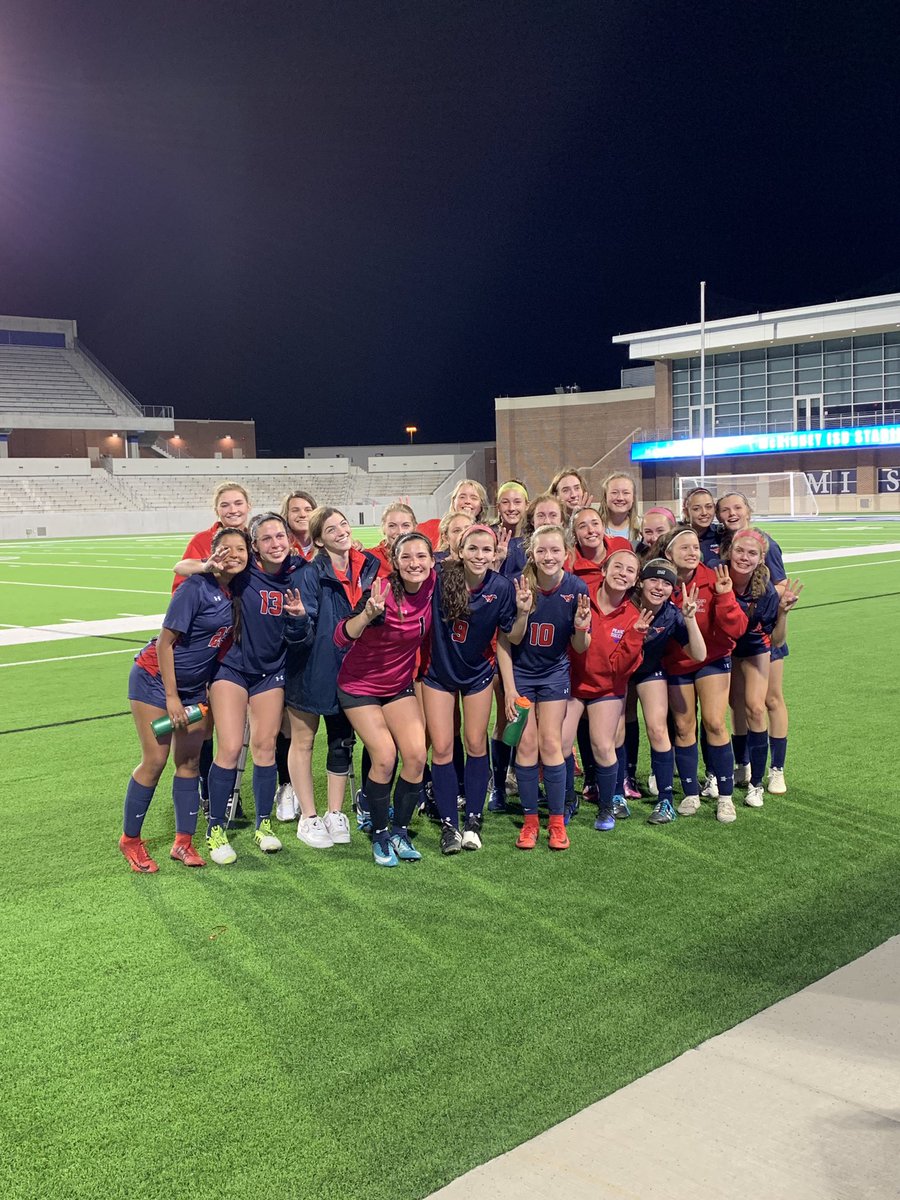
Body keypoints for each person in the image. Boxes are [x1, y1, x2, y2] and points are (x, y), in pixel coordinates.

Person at [119, 528, 250, 872]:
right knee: (155, 760)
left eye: (241, 549)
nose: (234, 554)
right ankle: (130, 840)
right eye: (226, 549)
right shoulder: (196, 587)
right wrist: (173, 698)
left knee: (190, 763)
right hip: (154, 681)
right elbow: (165, 644)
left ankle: (183, 843)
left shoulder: (232, 590)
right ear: (212, 554)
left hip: (193, 689)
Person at [203, 513, 310, 864]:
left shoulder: (299, 573)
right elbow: (189, 569)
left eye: (280, 536)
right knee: (231, 747)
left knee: (265, 748)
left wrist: (298, 619)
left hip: (270, 673)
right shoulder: (241, 572)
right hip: (232, 669)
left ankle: (264, 825)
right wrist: (206, 563)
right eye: (266, 539)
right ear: (255, 545)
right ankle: (215, 828)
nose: (276, 543)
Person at [422, 524, 529, 853]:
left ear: (496, 552)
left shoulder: (501, 587)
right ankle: (449, 825)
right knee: (441, 748)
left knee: (475, 743)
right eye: (473, 548)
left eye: (486, 549)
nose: (479, 555)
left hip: (478, 674)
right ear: (460, 550)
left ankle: (472, 819)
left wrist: (523, 613)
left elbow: (511, 639)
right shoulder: (441, 578)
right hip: (438, 674)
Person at [334, 532, 436, 867]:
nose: (414, 564)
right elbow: (340, 636)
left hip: (397, 685)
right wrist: (366, 615)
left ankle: (399, 830)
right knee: (384, 756)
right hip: (359, 685)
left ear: (431, 562)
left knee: (417, 756)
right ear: (395, 560)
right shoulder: (381, 590)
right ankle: (379, 832)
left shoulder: (434, 582)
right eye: (406, 557)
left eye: (421, 556)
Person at [285, 507, 381, 847]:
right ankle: (309, 816)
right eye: (331, 529)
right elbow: (302, 633)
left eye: (343, 524)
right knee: (305, 741)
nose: (340, 531)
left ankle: (335, 812)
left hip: (352, 670)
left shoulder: (369, 566)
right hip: (311, 668)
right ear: (320, 540)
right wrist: (297, 620)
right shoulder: (309, 575)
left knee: (342, 742)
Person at [497, 525, 590, 851]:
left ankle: (557, 822)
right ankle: (530, 821)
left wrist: (581, 628)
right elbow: (510, 641)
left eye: (555, 550)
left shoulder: (576, 588)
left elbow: (579, 646)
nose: (548, 556)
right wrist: (509, 689)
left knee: (551, 743)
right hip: (521, 675)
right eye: (542, 551)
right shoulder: (518, 586)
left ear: (566, 553)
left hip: (554, 674)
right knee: (526, 747)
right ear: (532, 555)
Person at [171, 480, 251, 811]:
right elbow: (182, 569)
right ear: (216, 510)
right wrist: (205, 565)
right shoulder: (205, 540)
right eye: (225, 505)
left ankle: (232, 790)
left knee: (245, 728)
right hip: (210, 647)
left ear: (249, 506)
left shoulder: (254, 538)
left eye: (238, 504)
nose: (233, 510)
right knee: (207, 726)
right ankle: (209, 790)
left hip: (243, 646)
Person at [660, 526, 748, 824]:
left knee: (714, 722)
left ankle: (725, 797)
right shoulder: (661, 584)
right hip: (677, 664)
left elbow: (736, 629)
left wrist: (724, 598)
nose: (692, 552)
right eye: (684, 547)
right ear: (668, 553)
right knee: (683, 728)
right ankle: (690, 792)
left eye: (695, 547)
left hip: (712, 659)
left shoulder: (714, 579)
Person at [563, 547, 650, 832]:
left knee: (603, 744)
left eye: (630, 571)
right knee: (560, 744)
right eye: (618, 567)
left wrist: (636, 636)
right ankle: (566, 801)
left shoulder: (633, 616)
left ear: (635, 580)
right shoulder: (581, 598)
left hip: (606, 689)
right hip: (573, 684)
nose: (622, 574)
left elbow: (620, 670)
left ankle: (606, 806)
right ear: (604, 570)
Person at [716, 491, 791, 794]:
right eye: (725, 509)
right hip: (735, 640)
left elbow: (780, 585)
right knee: (738, 703)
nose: (731, 513)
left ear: (748, 509)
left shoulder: (764, 543)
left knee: (767, 701)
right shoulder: (721, 546)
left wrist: (775, 610)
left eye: (737, 507)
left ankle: (776, 769)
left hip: (763, 632)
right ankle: (743, 763)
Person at [723, 529, 802, 808]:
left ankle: (757, 783)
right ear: (729, 551)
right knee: (732, 706)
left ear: (761, 559)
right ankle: (734, 767)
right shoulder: (718, 580)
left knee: (757, 707)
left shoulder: (766, 590)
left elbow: (777, 640)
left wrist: (782, 613)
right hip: (727, 650)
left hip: (756, 648)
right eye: (739, 551)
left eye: (752, 553)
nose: (744, 557)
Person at [628, 559, 706, 824]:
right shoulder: (624, 604)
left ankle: (665, 800)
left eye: (666, 583)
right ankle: (615, 792)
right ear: (641, 581)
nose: (659, 587)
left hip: (650, 672)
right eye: (653, 580)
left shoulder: (672, 613)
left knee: (658, 728)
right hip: (620, 673)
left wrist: (690, 619)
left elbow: (699, 653)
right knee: (614, 731)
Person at [417, 480, 488, 548]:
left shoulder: (489, 533)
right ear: (453, 501)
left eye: (474, 498)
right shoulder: (433, 528)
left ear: (482, 505)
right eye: (462, 497)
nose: (467, 501)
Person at [493, 480, 528, 579]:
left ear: (527, 505)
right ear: (498, 507)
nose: (511, 508)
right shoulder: (489, 537)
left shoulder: (533, 539)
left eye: (517, 502)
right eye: (505, 502)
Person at [371, 502, 417, 577]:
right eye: (392, 526)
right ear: (383, 528)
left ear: (414, 528)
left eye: (405, 525)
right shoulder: (370, 558)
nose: (400, 532)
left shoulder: (423, 556)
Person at [681, 486, 723, 565]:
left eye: (709, 507)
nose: (704, 513)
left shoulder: (721, 534)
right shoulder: (677, 537)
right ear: (686, 512)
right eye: (696, 509)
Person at [597, 471, 640, 545]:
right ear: (605, 497)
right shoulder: (595, 527)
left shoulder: (641, 528)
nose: (620, 498)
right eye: (614, 492)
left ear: (633, 498)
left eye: (626, 493)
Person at [281, 489, 317, 560]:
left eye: (308, 510)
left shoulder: (327, 547)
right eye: (295, 510)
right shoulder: (280, 548)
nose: (303, 515)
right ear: (286, 515)